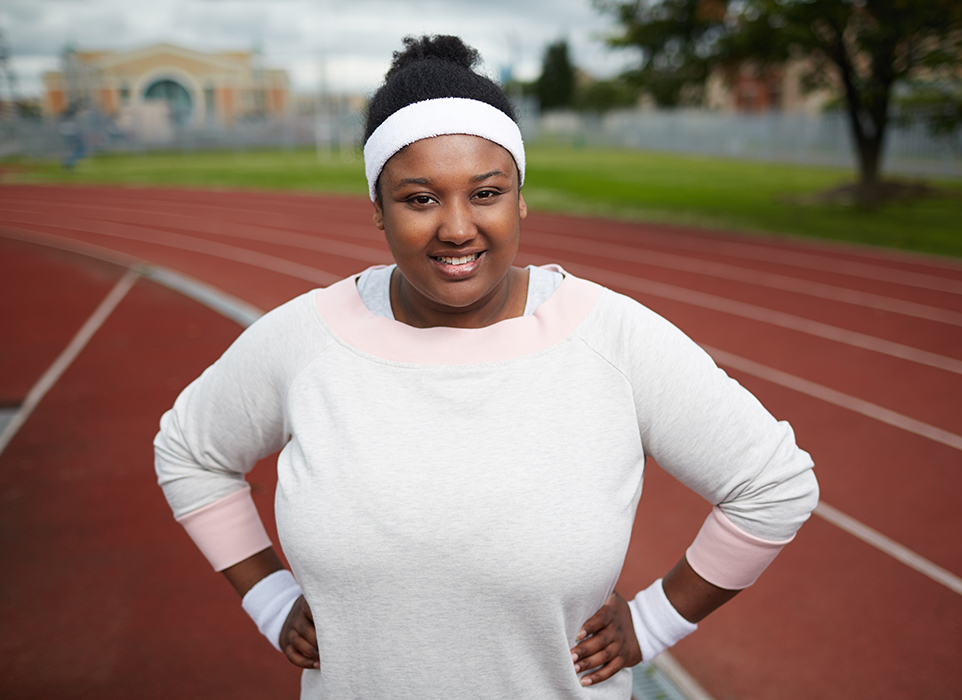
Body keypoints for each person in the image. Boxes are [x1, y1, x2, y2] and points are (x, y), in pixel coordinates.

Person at [154, 35, 818, 700]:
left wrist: (654, 622)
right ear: (378, 211)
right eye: (419, 199)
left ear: (520, 199)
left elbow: (773, 485)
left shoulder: (609, 338)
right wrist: (269, 599)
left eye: (486, 193)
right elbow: (190, 453)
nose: (456, 227)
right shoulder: (307, 338)